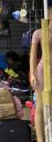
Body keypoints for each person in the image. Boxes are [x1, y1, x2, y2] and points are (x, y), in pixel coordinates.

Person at [30, 8, 52, 142]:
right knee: (40, 106)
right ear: (49, 15)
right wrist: (32, 74)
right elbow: (33, 56)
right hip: (43, 71)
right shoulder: (39, 33)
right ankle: (40, 139)